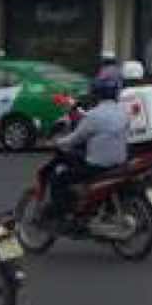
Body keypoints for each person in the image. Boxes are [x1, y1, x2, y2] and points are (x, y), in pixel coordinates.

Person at [48, 71, 131, 221]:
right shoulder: (124, 112)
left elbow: (75, 139)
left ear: (97, 94)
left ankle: (61, 215)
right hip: (120, 162)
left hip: (97, 166)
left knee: (59, 177)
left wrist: (57, 142)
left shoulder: (93, 115)